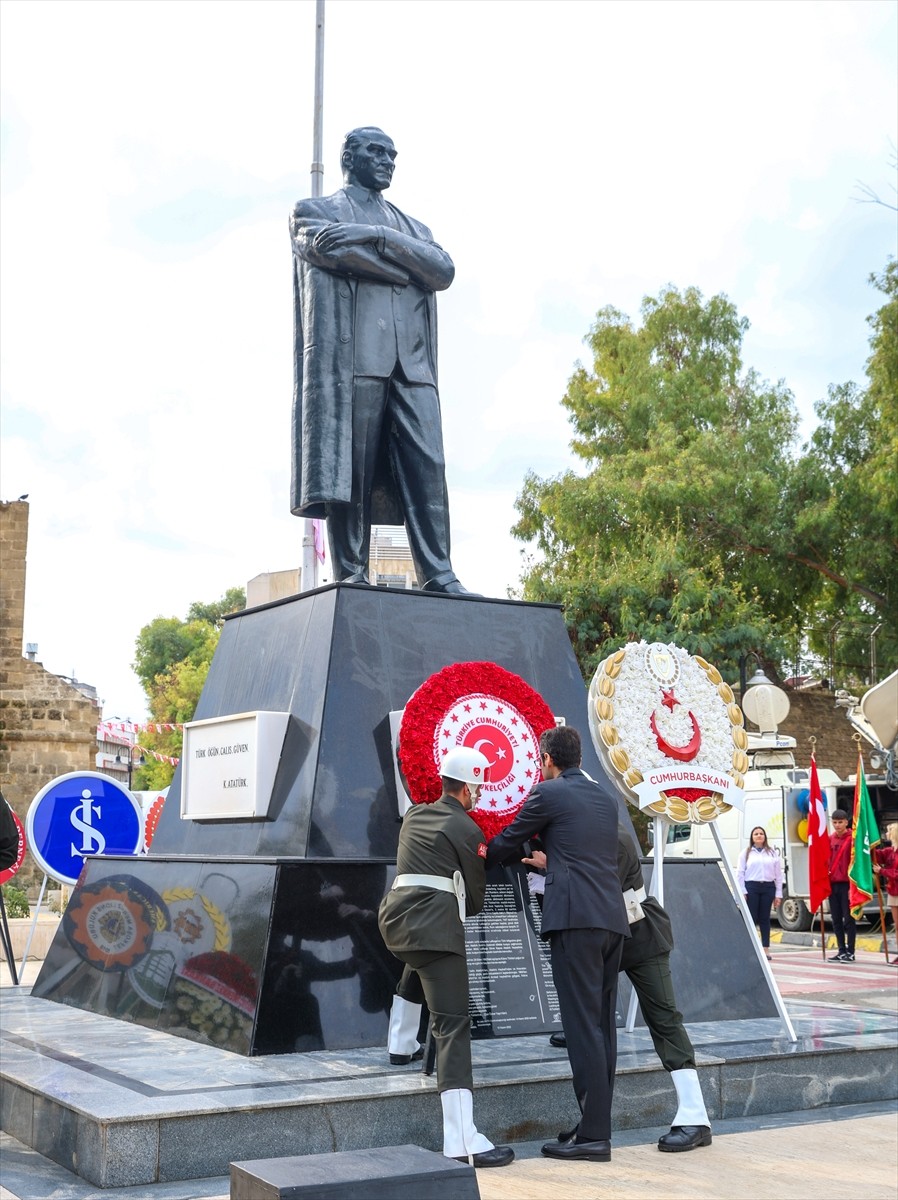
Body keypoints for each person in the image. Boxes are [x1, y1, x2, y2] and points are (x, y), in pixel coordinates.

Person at [290, 127, 467, 593]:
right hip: (355, 362)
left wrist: (377, 238)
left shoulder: (413, 227)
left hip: (413, 367)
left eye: (393, 154)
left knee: (429, 469)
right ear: (349, 157)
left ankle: (440, 574)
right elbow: (326, 246)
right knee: (353, 472)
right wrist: (407, 270)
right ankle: (351, 572)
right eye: (376, 151)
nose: (388, 160)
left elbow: (443, 270)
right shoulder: (315, 211)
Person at [486, 726, 629, 1163]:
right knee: (602, 1027)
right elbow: (583, 850)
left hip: (575, 920)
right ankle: (593, 1126)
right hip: (610, 921)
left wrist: (493, 853)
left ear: (547, 759)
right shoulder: (605, 799)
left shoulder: (549, 794)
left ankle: (593, 1139)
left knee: (581, 1027)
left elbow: (506, 843)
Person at [529, 832, 712, 1152]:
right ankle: (592, 1122)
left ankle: (696, 1117)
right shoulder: (568, 841)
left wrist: (554, 871)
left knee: (664, 1019)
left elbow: (599, 892)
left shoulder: (613, 837)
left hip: (639, 934)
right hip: (597, 940)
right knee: (586, 1030)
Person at [377, 747, 513, 1168]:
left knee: (420, 963)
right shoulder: (467, 829)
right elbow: (472, 898)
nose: (479, 794)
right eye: (479, 786)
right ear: (469, 785)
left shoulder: (414, 816)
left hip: (397, 922)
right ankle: (462, 1140)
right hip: (437, 928)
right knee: (452, 1026)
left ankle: (400, 1045)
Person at [736, 826, 783, 960]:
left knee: (765, 919)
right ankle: (750, 948)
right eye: (756, 834)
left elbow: (778, 875)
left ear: (765, 836)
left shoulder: (772, 853)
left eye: (761, 833)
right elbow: (740, 873)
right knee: (751, 918)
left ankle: (765, 949)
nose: (759, 836)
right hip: (752, 887)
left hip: (768, 887)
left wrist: (778, 894)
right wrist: (743, 891)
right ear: (752, 837)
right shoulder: (746, 853)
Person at [827, 808, 856, 963]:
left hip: (847, 884)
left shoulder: (852, 839)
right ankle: (841, 950)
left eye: (840, 822)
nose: (837, 825)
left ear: (846, 822)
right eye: (835, 822)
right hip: (833, 884)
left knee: (849, 919)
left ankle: (851, 951)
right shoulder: (830, 839)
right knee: (836, 919)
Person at [873, 822, 898, 966]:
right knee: (897, 925)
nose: (886, 834)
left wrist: (882, 871)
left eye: (889, 831)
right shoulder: (890, 851)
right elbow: (877, 856)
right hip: (893, 892)